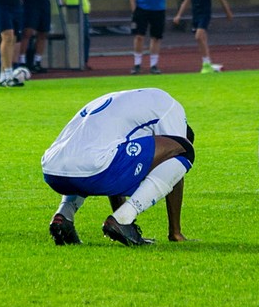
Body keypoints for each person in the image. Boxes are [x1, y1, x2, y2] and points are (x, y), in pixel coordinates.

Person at [41, 88, 196, 246]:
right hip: (94, 170)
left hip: (52, 169)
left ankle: (64, 216)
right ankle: (124, 218)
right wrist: (175, 232)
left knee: (100, 158)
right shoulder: (172, 108)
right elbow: (177, 150)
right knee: (184, 149)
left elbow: (117, 164)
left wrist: (120, 215)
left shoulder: (129, 102)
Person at [172, 0, 233, 73]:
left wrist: (227, 11)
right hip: (196, 15)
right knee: (201, 39)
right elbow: (186, 1)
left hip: (205, 14)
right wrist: (178, 15)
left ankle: (206, 63)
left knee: (198, 36)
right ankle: (207, 63)